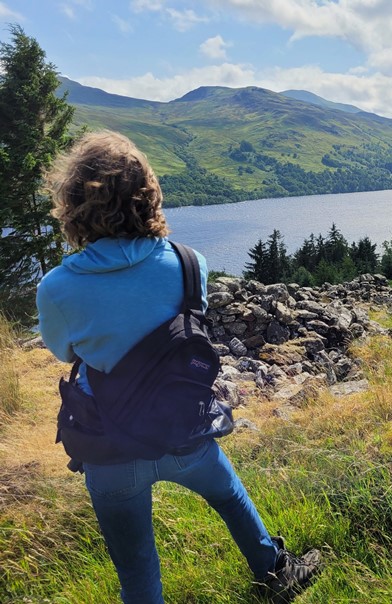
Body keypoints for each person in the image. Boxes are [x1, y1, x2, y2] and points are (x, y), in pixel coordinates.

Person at [36, 130, 321, 603]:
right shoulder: (191, 264)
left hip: (109, 448)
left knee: (137, 567)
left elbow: (65, 352)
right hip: (183, 428)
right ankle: (275, 573)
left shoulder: (57, 286)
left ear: (73, 203)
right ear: (148, 195)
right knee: (230, 498)